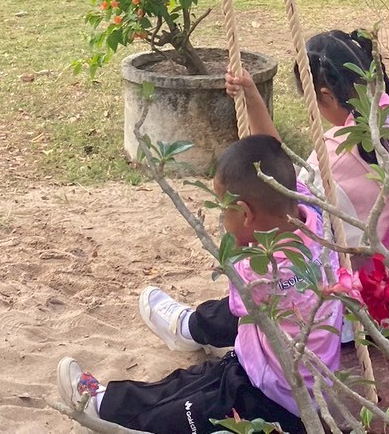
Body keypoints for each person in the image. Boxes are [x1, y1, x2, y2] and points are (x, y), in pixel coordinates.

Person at [139, 28, 389, 357]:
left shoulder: (339, 158)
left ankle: (192, 328)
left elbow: (283, 199)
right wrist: (254, 102)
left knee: (284, 282)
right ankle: (197, 326)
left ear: (324, 95)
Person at [60, 135, 343, 433]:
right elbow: (276, 182)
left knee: (183, 413)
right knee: (192, 380)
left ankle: (102, 408)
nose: (222, 218)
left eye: (224, 210)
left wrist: (236, 245)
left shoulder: (261, 271)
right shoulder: (315, 224)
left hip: (271, 399)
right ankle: (108, 399)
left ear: (245, 213)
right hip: (270, 372)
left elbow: (237, 305)